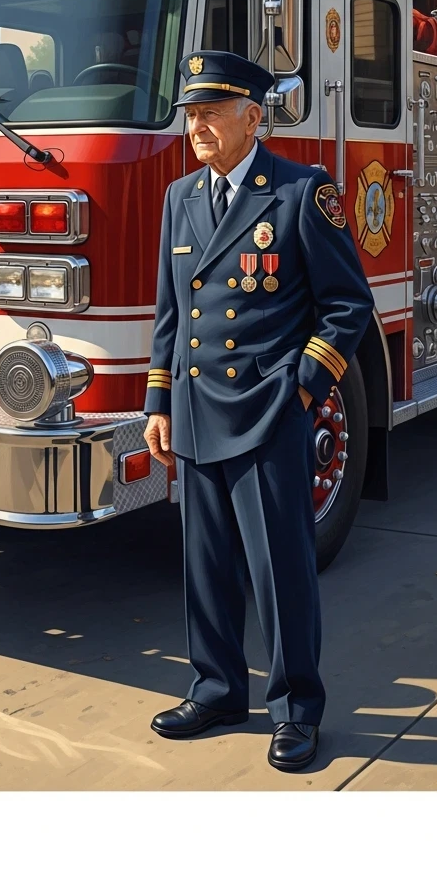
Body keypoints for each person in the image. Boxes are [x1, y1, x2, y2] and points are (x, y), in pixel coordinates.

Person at [143, 50, 374, 773]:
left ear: (253, 114)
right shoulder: (181, 196)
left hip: (269, 412)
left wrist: (301, 389)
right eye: (192, 112)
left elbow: (348, 307)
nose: (198, 125)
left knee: (281, 571)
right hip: (197, 408)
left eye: (212, 111)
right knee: (205, 567)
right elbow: (171, 314)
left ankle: (297, 710)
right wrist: (157, 400)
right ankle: (215, 690)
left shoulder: (302, 194)